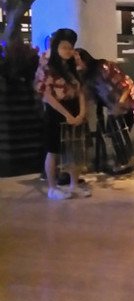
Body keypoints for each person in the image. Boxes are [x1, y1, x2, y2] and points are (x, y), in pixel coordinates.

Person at [35, 28, 90, 199]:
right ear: (56, 46)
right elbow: (46, 95)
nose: (68, 51)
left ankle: (74, 184)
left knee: (75, 149)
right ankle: (52, 188)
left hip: (74, 108)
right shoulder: (47, 65)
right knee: (53, 150)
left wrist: (81, 112)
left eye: (70, 47)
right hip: (56, 110)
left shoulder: (73, 64)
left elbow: (81, 90)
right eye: (64, 47)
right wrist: (67, 115)